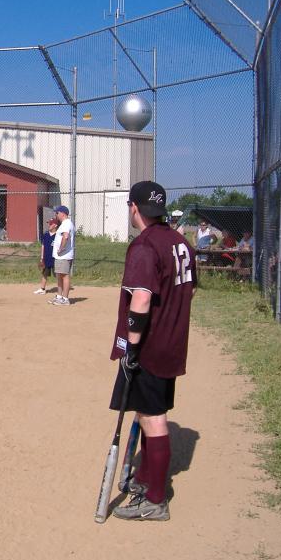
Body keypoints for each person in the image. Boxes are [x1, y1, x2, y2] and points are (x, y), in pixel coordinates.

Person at [108, 180, 197, 521]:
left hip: (149, 347)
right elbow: (188, 292)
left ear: (134, 207)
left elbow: (141, 300)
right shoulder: (180, 242)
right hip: (172, 343)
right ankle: (146, 478)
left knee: (152, 417)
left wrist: (131, 348)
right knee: (148, 411)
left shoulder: (144, 246)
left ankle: (156, 500)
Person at [49, 205, 74, 306]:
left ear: (63, 214)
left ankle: (65, 299)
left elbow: (66, 236)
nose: (56, 215)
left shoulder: (67, 223)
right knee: (60, 275)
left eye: (57, 213)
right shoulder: (64, 223)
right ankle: (59, 297)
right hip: (60, 256)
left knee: (65, 276)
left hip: (64, 255)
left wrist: (61, 248)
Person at [34, 218, 59, 294]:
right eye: (49, 223)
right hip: (46, 258)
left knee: (58, 275)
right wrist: (42, 258)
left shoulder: (58, 235)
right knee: (44, 274)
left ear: (55, 225)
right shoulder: (46, 235)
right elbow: (43, 246)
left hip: (55, 258)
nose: (49, 225)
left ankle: (62, 289)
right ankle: (42, 289)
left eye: (51, 224)